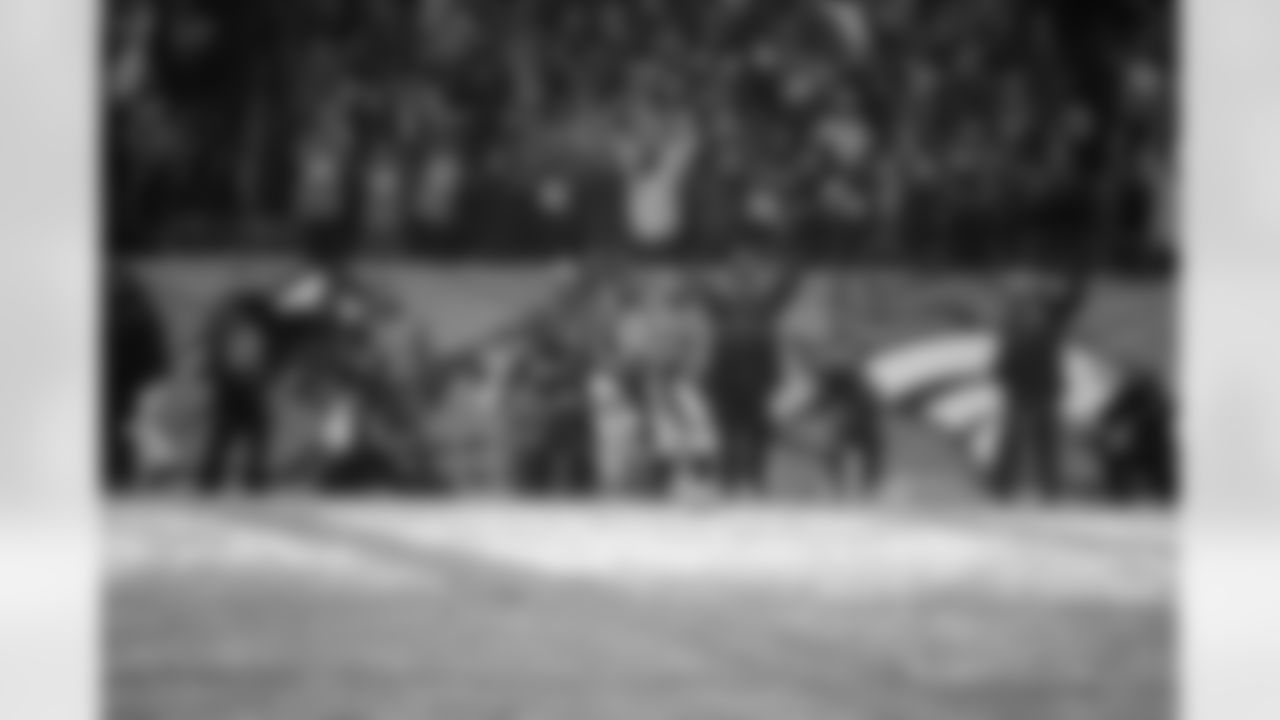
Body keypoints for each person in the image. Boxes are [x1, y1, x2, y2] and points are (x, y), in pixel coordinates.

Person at [699, 243, 805, 494]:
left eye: (749, 271)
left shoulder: (764, 304)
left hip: (756, 369)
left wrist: (792, 258)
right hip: (729, 370)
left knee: (756, 426)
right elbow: (702, 290)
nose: (744, 277)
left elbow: (788, 285)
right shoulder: (724, 305)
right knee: (728, 427)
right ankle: (728, 477)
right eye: (738, 271)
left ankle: (754, 477)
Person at [990, 261, 1090, 499]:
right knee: (1014, 437)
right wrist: (1002, 370)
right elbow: (1009, 348)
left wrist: (1078, 273)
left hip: (1043, 384)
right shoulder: (1015, 316)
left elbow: (1072, 299)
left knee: (1042, 437)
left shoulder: (1051, 313)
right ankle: (1002, 485)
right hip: (1021, 384)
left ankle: (1048, 485)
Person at [198, 291, 278, 492]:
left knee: (228, 433)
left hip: (236, 385)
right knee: (245, 431)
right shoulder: (245, 330)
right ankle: (249, 477)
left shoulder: (232, 329)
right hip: (240, 386)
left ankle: (214, 476)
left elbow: (235, 358)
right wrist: (252, 377)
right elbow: (245, 359)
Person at [106, 266, 170, 489]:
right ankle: (150, 465)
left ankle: (156, 465)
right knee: (134, 426)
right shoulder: (136, 312)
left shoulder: (130, 314)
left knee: (135, 425)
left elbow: (140, 351)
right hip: (138, 378)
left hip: (136, 379)